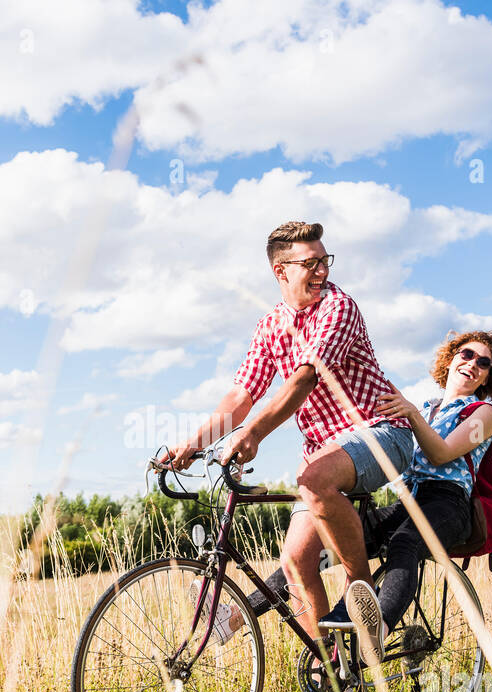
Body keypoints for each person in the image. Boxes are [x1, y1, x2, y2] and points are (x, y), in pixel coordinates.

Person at [159, 221, 415, 655]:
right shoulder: (271, 325)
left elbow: (304, 380)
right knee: (296, 562)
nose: (321, 271)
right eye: (310, 264)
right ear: (280, 270)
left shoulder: (339, 307)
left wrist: (255, 433)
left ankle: (363, 597)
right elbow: (242, 395)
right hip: (327, 452)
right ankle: (330, 673)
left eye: (324, 261)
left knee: (312, 478)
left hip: (381, 433)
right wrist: (193, 444)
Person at [248, 330, 492, 692]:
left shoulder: (483, 415)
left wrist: (409, 415)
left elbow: (441, 454)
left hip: (447, 502)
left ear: (490, 376)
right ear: (451, 358)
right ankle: (240, 613)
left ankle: (372, 634)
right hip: (406, 496)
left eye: (483, 362)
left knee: (406, 544)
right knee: (321, 546)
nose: (472, 364)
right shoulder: (423, 402)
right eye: (466, 354)